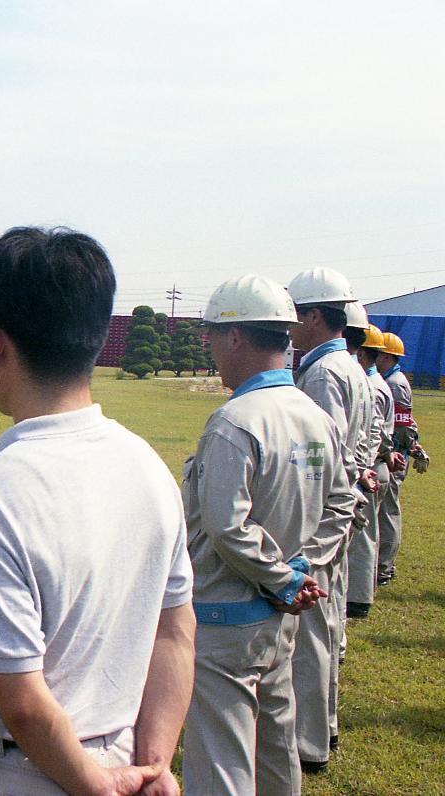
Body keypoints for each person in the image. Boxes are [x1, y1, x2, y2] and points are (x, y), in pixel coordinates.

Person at [0, 227, 194, 796]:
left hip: (26, 772)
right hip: (127, 753)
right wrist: (152, 764)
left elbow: (22, 699)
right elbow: (175, 633)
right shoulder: (148, 466)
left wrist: (98, 786)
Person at [181, 275, 352, 796]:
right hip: (283, 615)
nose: (209, 348)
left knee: (221, 756)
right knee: (275, 746)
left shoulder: (235, 422)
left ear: (234, 338)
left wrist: (281, 578)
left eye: (211, 335)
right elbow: (342, 502)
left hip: (226, 615)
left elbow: (226, 525)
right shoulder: (313, 415)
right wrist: (302, 572)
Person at [285, 266, 371, 772]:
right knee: (327, 620)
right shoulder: (349, 368)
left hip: (322, 519)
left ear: (314, 316)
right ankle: (326, 728)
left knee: (311, 634)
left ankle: (308, 743)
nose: (289, 328)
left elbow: (320, 456)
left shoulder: (322, 374)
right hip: (344, 508)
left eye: (295, 316)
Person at [346, 321, 394, 619]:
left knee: (362, 537)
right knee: (368, 534)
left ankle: (359, 598)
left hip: (370, 468)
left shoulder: (372, 386)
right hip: (375, 466)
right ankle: (361, 594)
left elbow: (373, 432)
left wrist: (363, 469)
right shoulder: (376, 383)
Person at [375, 331, 428, 585]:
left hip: (394, 455)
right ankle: (383, 564)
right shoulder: (392, 379)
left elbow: (403, 424)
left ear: (386, 355)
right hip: (393, 453)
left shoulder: (394, 384)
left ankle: (384, 568)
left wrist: (408, 448)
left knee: (387, 513)